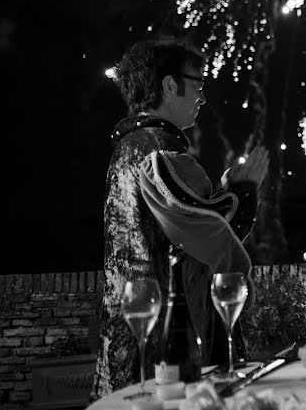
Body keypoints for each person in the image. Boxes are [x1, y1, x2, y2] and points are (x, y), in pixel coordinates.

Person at [91, 38, 268, 400]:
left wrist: (220, 193)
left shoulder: (131, 147)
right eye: (198, 85)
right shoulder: (157, 149)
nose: (202, 98)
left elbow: (178, 219)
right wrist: (244, 191)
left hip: (131, 329)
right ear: (170, 86)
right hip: (166, 340)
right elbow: (210, 235)